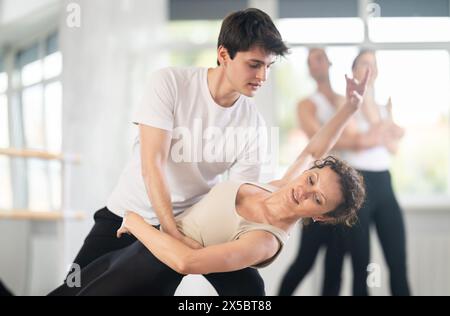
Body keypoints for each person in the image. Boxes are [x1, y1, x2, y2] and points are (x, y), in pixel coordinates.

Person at [49, 69, 369, 296]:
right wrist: (350, 108)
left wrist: (135, 223)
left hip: (150, 265)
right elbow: (314, 149)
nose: (305, 191)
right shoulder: (274, 187)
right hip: (148, 244)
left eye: (317, 199)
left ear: (321, 216)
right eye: (312, 179)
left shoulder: (265, 241)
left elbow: (188, 261)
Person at [63, 8, 289, 296]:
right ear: (223, 54)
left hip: (192, 225)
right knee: (73, 289)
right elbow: (152, 164)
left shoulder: (253, 123)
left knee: (250, 291)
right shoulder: (169, 83)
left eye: (269, 67)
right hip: (128, 214)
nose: (263, 76)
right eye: (254, 65)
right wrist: (169, 230)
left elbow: (239, 198)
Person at [278, 48, 386, 296]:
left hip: (336, 195)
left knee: (335, 263)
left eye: (318, 58)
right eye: (309, 62)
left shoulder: (344, 100)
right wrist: (362, 140)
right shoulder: (306, 105)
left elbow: (356, 135)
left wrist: (360, 136)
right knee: (305, 261)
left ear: (329, 63)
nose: (314, 64)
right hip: (314, 193)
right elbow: (320, 143)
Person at [338, 50, 409, 296]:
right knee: (362, 266)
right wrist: (385, 128)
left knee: (398, 263)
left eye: (374, 64)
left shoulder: (382, 107)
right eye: (365, 64)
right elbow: (358, 142)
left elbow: (394, 147)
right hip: (358, 182)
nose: (371, 69)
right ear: (355, 70)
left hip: (384, 182)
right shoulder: (347, 105)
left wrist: (381, 130)